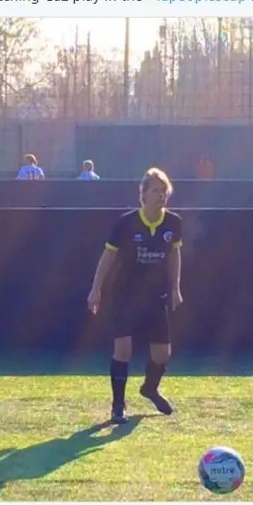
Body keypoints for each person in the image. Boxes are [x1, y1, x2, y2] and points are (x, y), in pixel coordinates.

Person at [87, 167, 183, 424]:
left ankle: (149, 388)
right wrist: (95, 289)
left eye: (164, 191)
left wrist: (175, 288)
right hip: (125, 294)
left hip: (156, 296)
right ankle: (118, 406)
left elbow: (174, 255)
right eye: (155, 191)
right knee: (123, 349)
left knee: (163, 354)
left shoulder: (174, 223)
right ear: (143, 194)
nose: (161, 195)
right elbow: (108, 256)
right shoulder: (126, 222)